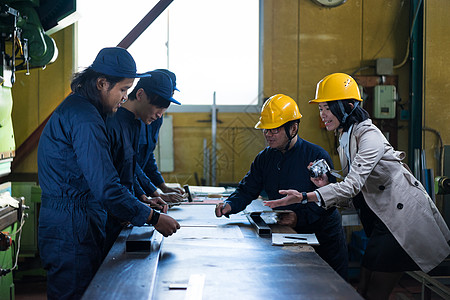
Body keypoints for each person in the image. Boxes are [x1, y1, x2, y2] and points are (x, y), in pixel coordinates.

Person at [264, 73, 450, 300]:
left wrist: (305, 196)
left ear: (349, 106)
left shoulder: (369, 136)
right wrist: (326, 185)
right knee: (361, 290)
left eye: (327, 108)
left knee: (373, 294)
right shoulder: (345, 138)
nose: (322, 115)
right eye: (320, 109)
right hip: (382, 223)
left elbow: (351, 187)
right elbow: (357, 195)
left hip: (400, 224)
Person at [37, 47, 180, 300]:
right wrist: (152, 217)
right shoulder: (84, 118)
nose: (125, 97)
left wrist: (140, 202)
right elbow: (106, 186)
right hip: (72, 224)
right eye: (123, 90)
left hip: (79, 219)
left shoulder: (86, 111)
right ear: (102, 83)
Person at [215, 94, 349, 280]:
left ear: (293, 128)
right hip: (287, 237)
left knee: (329, 289)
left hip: (322, 239)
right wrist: (229, 205)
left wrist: (299, 217)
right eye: (265, 130)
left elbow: (328, 200)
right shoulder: (265, 158)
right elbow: (247, 189)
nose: (268, 135)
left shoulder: (315, 156)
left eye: (274, 130)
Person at [104, 69, 181, 254]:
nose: (159, 116)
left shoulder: (135, 122)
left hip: (123, 209)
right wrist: (150, 215)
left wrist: (143, 199)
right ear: (140, 94)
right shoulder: (114, 123)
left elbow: (129, 169)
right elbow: (112, 182)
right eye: (158, 108)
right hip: (108, 214)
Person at [134, 69, 185, 203]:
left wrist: (162, 186)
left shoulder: (156, 118)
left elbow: (148, 154)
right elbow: (129, 164)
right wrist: (154, 192)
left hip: (138, 188)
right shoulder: (130, 120)